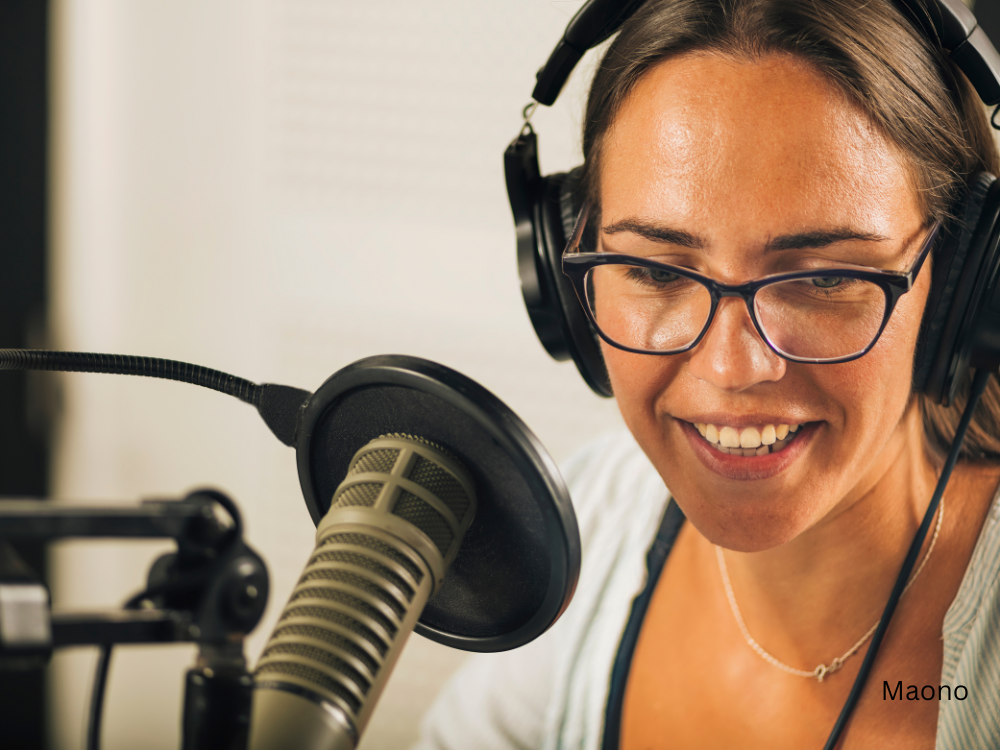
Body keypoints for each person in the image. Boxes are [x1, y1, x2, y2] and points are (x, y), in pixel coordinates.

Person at [414, 0, 1000, 747]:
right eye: (656, 271)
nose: (732, 368)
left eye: (822, 279)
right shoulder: (587, 527)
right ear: (565, 274)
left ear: (964, 283)